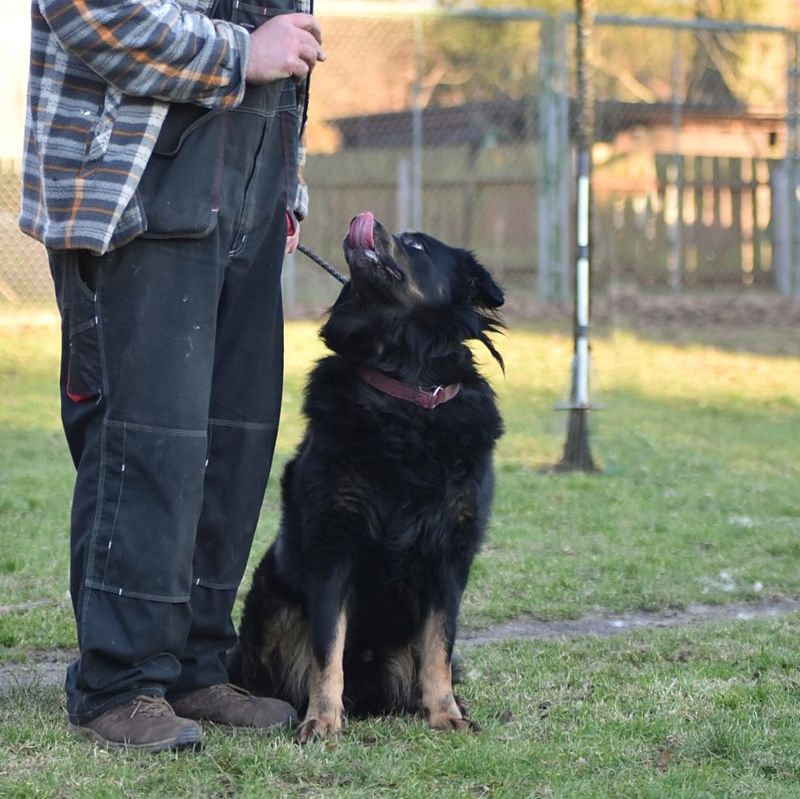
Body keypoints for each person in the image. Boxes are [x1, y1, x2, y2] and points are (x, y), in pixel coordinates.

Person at [19, 0, 324, 752]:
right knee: (148, 440)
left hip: (251, 197)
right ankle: (119, 682)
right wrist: (238, 54)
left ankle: (193, 663)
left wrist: (289, 190)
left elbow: (290, 55)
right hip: (132, 200)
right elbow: (87, 14)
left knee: (234, 442)